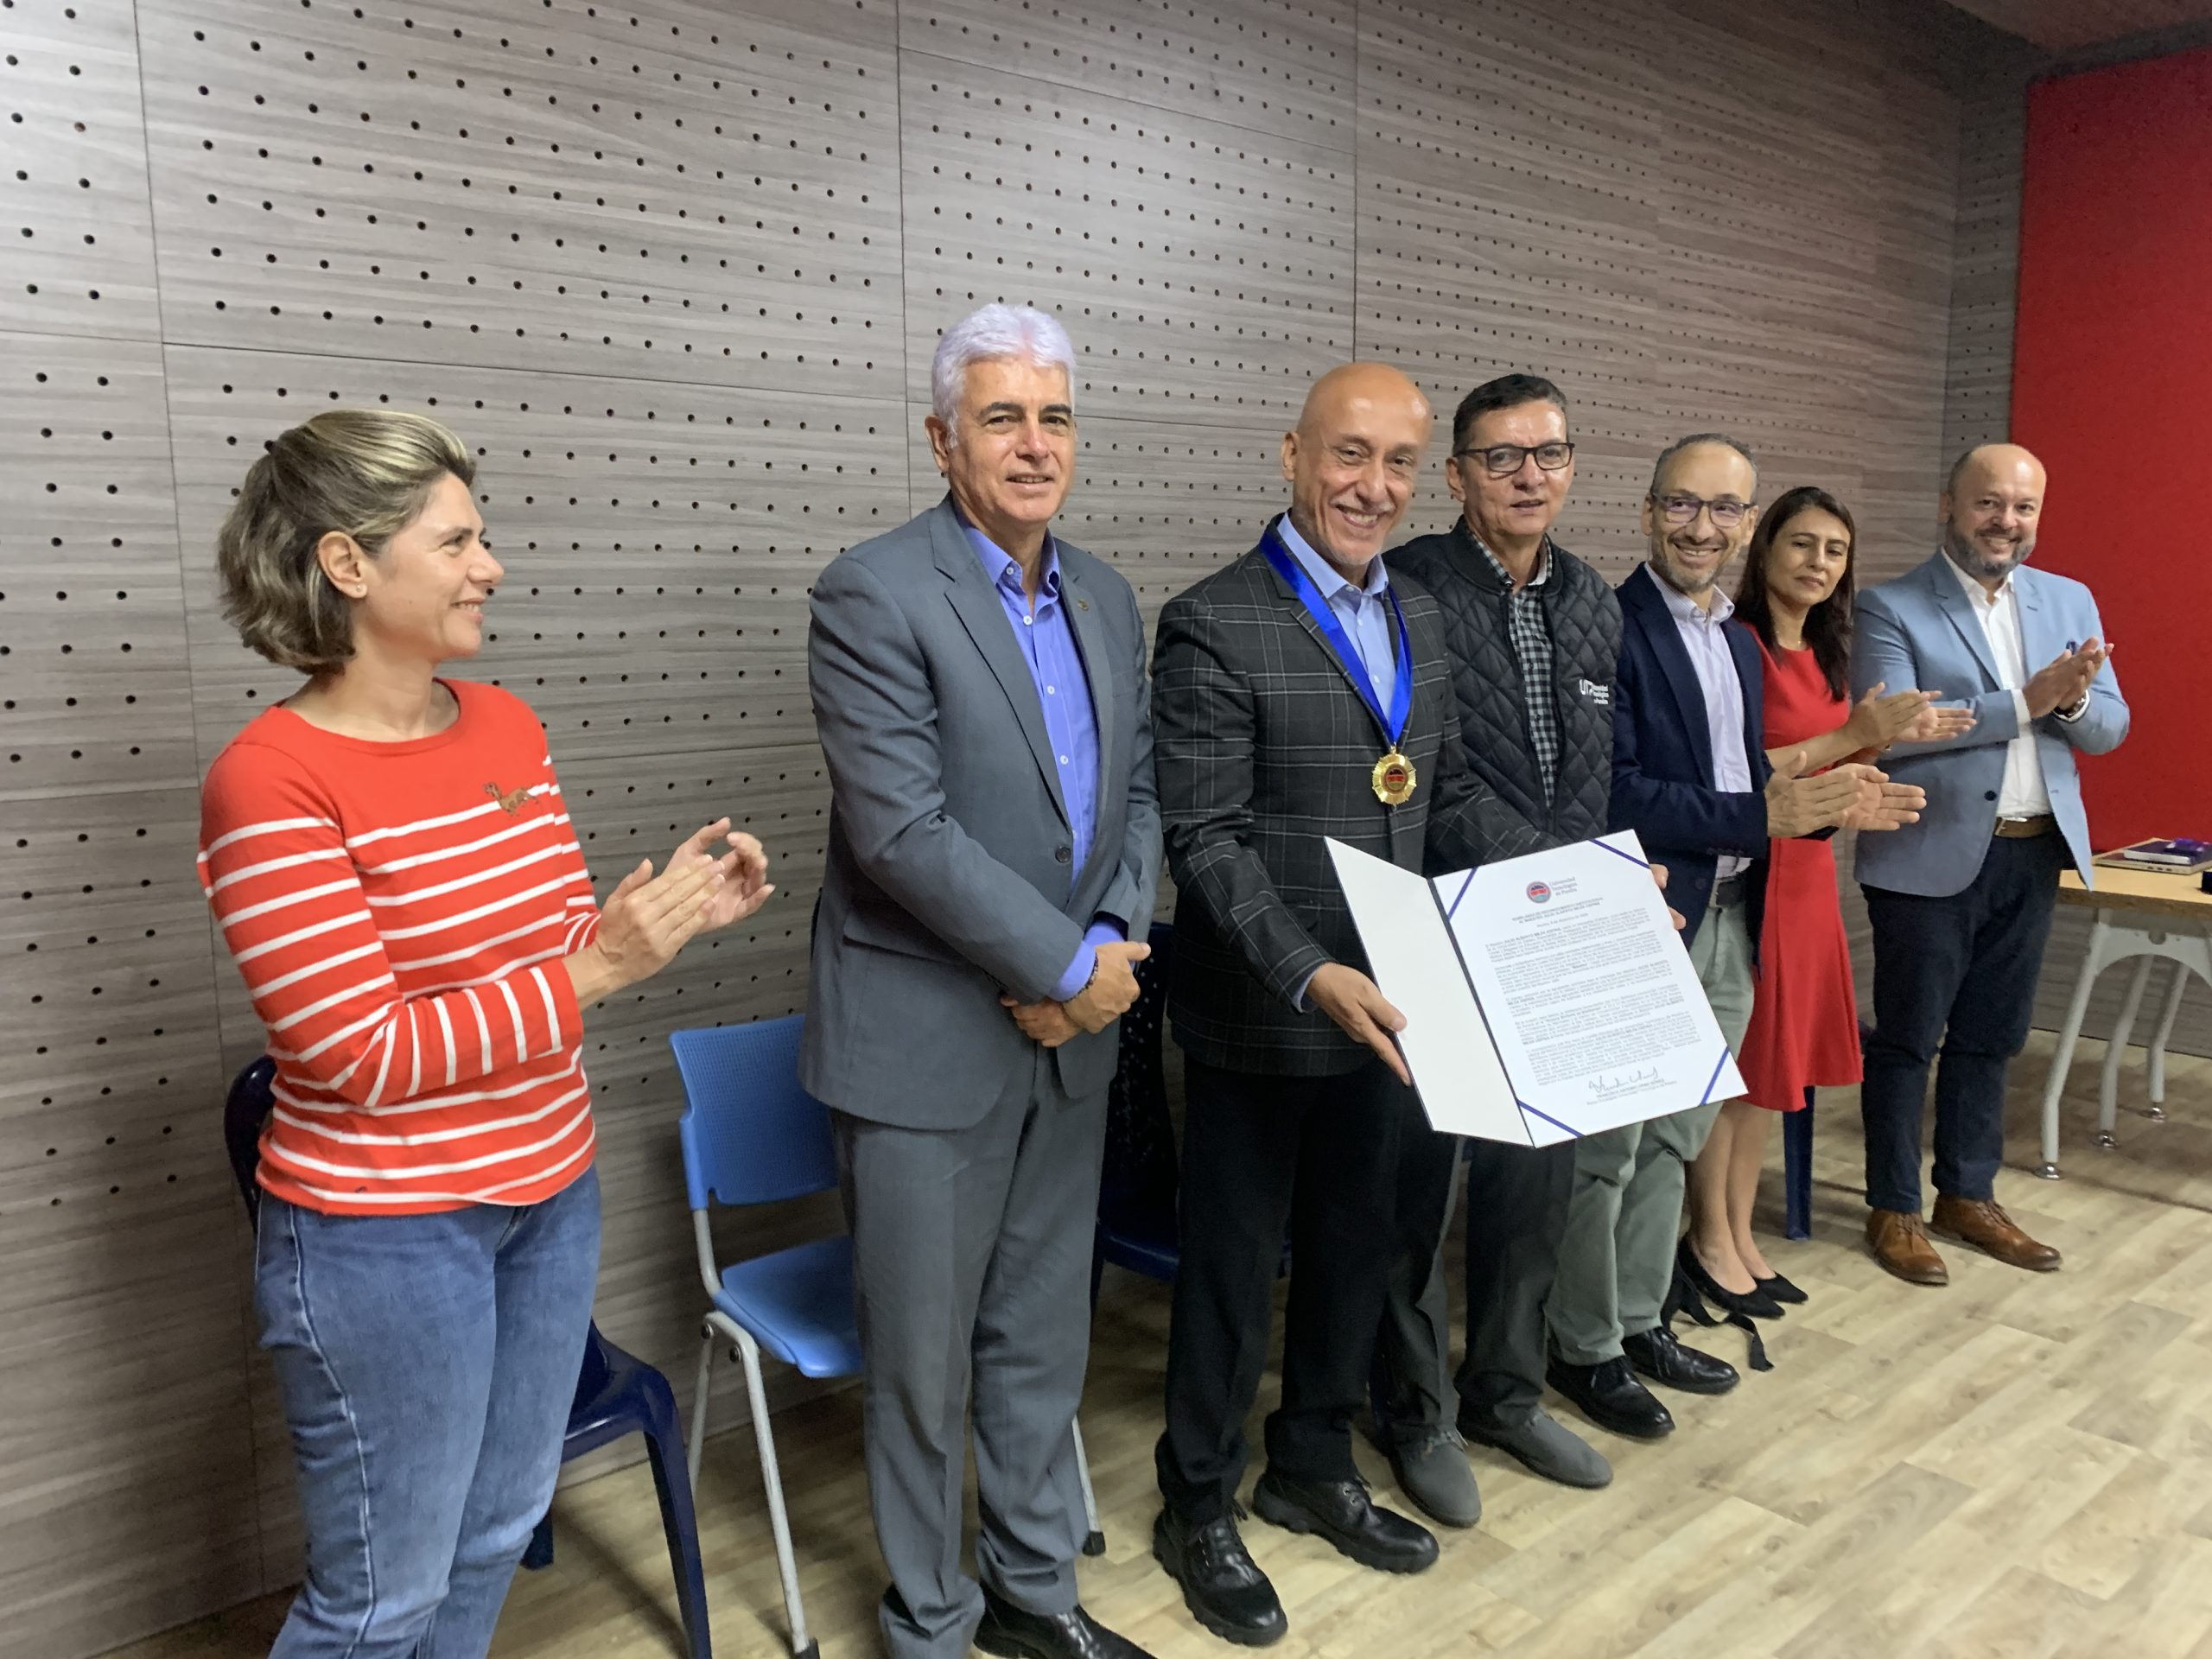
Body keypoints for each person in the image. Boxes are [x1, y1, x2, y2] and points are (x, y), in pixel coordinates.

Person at [197, 410, 773, 1659]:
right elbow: (361, 1053)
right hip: (385, 1239)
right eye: (457, 541)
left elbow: (560, 939)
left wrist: (647, 914)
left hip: (548, 1197)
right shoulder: (269, 778)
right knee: (376, 1600)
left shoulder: (506, 725)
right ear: (347, 564)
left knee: (498, 1526)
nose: (490, 566)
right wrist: (597, 966)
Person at [1149, 363, 1553, 1649]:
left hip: (1395, 1011)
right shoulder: (1215, 620)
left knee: (1357, 1250)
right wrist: (1307, 972)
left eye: (1395, 462)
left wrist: (1569, 876)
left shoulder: (1423, 620)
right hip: (1265, 1015)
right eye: (1346, 456)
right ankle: (1197, 1503)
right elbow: (1205, 842)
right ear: (1291, 454)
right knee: (1226, 1273)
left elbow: (1439, 805)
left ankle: (1312, 1464)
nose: (1369, 488)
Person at [802, 303, 1162, 1659]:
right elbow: (901, 832)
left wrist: (1108, 949)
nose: (1033, 444)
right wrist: (1064, 966)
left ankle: (1034, 1597)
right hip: (923, 1048)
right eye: (1002, 417)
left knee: (1038, 1336)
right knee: (922, 1364)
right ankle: (929, 1622)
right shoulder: (873, 591)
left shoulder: (1110, 598)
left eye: (1054, 416)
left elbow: (1136, 802)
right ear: (943, 438)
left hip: (1071, 1040)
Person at [1548, 434, 1917, 1443]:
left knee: (1676, 1134)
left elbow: (1766, 784)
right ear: (1646, 512)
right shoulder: (1611, 625)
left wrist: (1831, 797)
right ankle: (1580, 1346)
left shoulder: (1733, 639)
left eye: (1723, 510)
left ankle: (1637, 1319)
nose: (1700, 528)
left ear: (1744, 526)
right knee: (1611, 1153)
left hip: (1732, 913)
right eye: (1681, 505)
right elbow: (1616, 791)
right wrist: (1771, 815)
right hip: (1648, 910)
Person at [1373, 372, 1620, 1522]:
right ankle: (1415, 1413)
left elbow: (1596, 772)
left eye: (1551, 454)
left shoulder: (1591, 598)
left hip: (1552, 930)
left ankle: (1508, 1393)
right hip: (1439, 923)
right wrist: (1557, 877)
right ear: (1462, 474)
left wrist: (1598, 886)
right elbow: (1427, 777)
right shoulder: (1410, 589)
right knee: (1415, 1192)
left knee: (1537, 1176)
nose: (1531, 476)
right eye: (1503, 457)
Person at [1853, 442, 2127, 1286]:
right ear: (1948, 504)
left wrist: (2075, 699)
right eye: (1988, 504)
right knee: (1906, 1041)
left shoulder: (2068, 599)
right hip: (1925, 856)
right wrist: (2028, 702)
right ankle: (1893, 1207)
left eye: (2022, 508)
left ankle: (1966, 1195)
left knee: (1991, 1039)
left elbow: (2111, 727)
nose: (2005, 522)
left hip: (2030, 850)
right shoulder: (1889, 608)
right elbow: (1895, 727)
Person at [1691, 487, 1972, 1311]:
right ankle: (1708, 1238)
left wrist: (1888, 735)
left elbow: (1826, 764)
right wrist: (1856, 737)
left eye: (1836, 551)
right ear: (1764, 547)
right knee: (1739, 1071)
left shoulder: (1823, 649)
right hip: (1755, 872)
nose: (1818, 564)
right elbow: (1747, 768)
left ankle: (1739, 1232)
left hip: (1811, 875)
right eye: (1803, 545)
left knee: (1774, 1077)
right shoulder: (1737, 643)